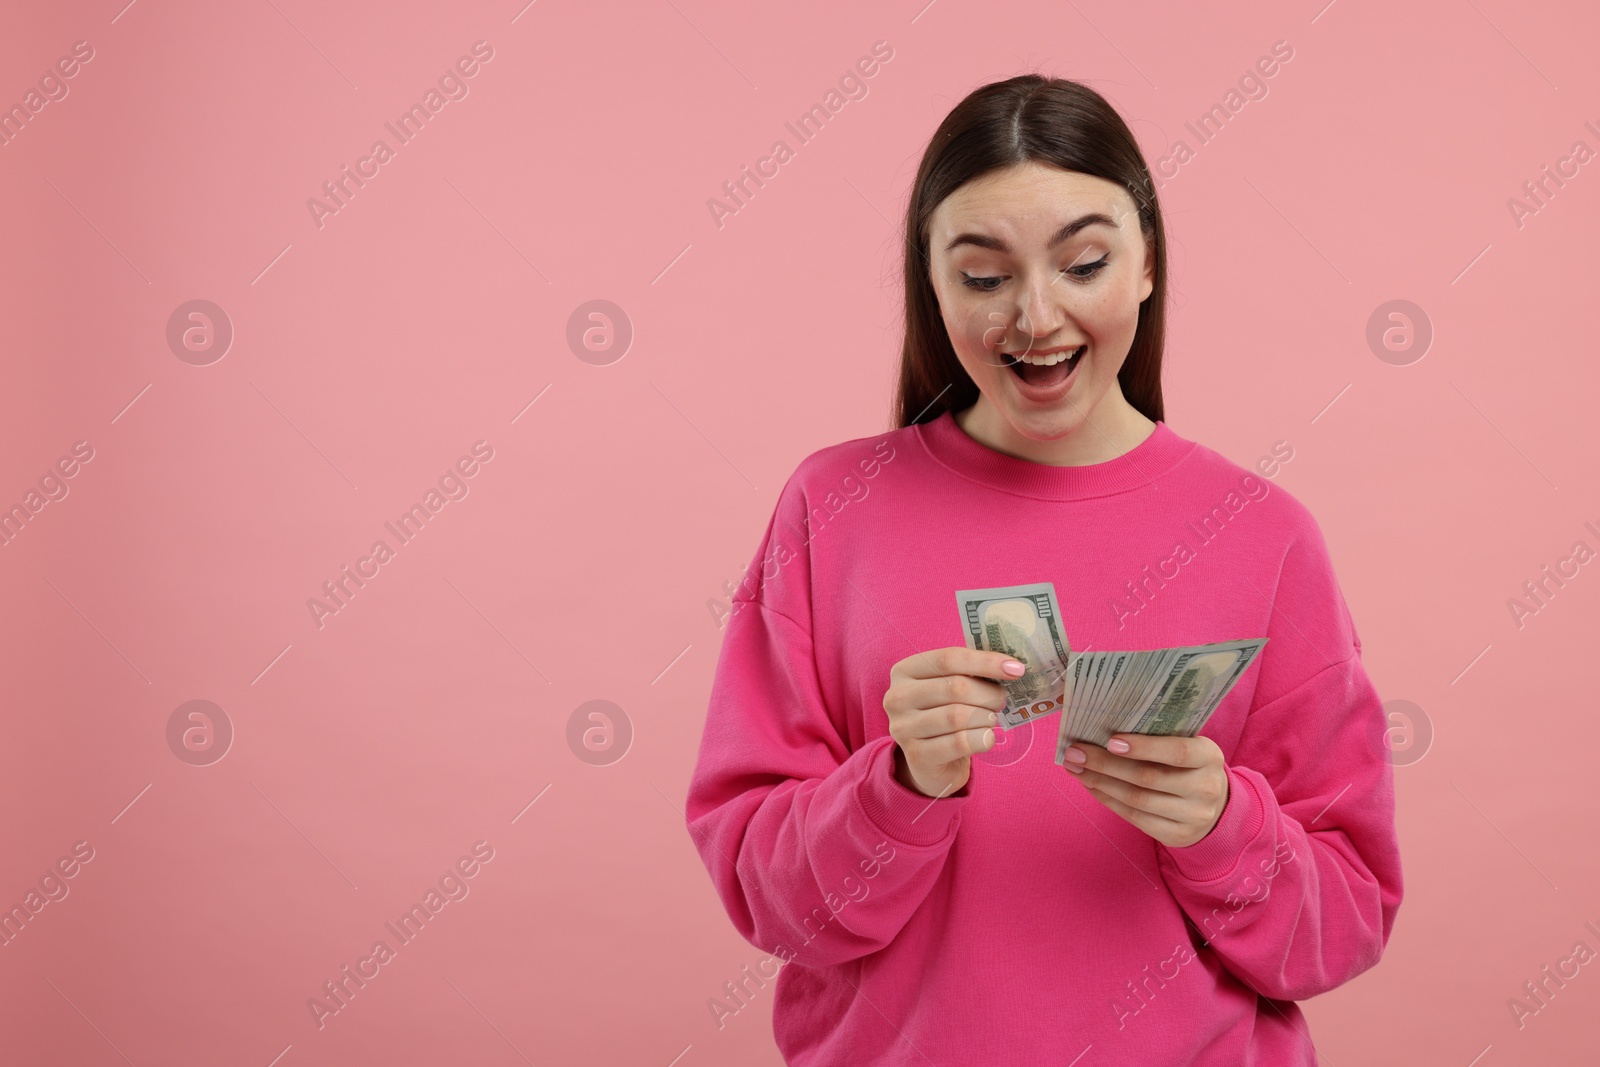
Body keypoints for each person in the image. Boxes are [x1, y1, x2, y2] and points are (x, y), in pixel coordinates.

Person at [684, 73, 1403, 1066]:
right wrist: (896, 785)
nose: (1035, 315)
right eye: (983, 274)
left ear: (1146, 262)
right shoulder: (830, 507)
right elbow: (766, 898)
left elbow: (1346, 919)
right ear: (931, 286)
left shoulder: (1265, 535)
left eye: (1083, 263)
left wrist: (1221, 826)